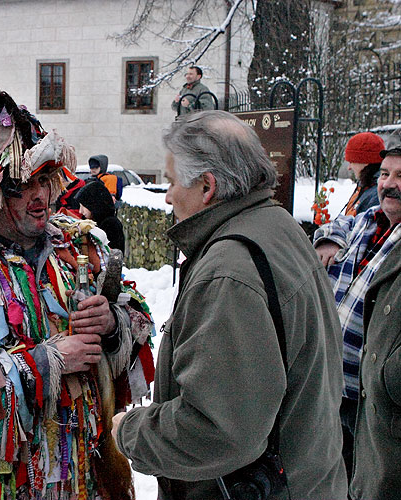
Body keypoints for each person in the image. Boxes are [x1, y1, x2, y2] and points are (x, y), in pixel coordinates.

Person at [0, 83, 156, 500]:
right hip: (6, 483)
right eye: (21, 185)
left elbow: (140, 324)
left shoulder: (83, 247)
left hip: (88, 476)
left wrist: (114, 323)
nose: (40, 197)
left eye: (45, 179)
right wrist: (47, 362)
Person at [112, 110, 346, 499]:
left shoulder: (229, 273)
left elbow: (217, 430)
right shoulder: (276, 225)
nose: (167, 196)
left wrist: (130, 431)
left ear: (207, 186)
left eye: (171, 182)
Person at [313, 138, 401, 484]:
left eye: (399, 175)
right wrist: (328, 238)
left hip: (371, 401)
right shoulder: (370, 219)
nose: (388, 184)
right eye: (384, 173)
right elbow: (338, 224)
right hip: (330, 386)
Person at [74, 180, 125, 253]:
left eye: (83, 206)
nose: (80, 211)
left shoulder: (111, 225)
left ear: (94, 205)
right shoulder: (91, 221)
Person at [342, 131, 384, 216]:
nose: (349, 168)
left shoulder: (376, 195)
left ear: (365, 162)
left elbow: (361, 227)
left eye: (351, 162)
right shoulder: (365, 186)